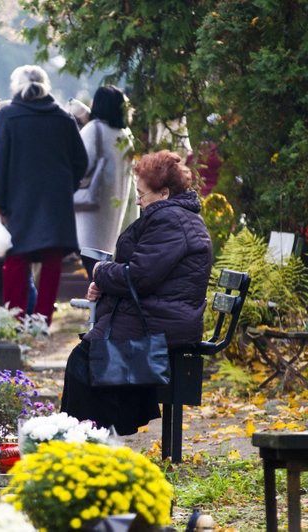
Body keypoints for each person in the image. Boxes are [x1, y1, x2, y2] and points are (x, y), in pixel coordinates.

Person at [61, 150, 212, 436]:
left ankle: (87, 439)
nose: (138, 201)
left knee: (85, 361)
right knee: (85, 357)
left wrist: (100, 271)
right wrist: (104, 284)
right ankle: (89, 438)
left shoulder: (170, 221)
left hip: (161, 323)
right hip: (158, 316)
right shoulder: (173, 217)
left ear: (164, 193)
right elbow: (144, 274)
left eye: (142, 194)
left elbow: (138, 277)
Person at [0, 65, 88, 323]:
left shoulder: (7, 116)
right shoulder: (63, 118)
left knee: (15, 259)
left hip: (17, 200)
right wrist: (67, 186)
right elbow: (81, 161)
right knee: (51, 261)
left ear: (16, 87)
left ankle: (15, 320)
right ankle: (43, 320)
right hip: (56, 201)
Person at [75, 86, 137, 282]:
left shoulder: (94, 129)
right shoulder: (126, 134)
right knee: (105, 266)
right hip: (117, 210)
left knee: (93, 264)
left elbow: (80, 165)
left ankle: (99, 301)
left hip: (92, 209)